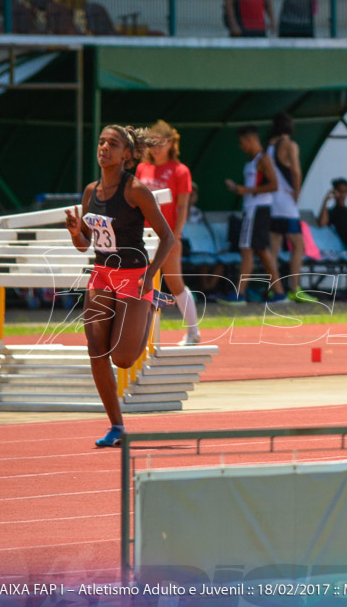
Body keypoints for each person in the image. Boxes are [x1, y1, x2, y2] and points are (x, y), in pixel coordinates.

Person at [64, 125, 175, 447]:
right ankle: (117, 426)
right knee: (96, 350)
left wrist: (151, 276)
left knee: (123, 359)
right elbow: (85, 245)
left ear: (126, 155)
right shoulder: (90, 192)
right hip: (101, 273)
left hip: (134, 276)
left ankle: (151, 304)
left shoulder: (135, 190)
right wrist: (75, 232)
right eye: (101, 142)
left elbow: (167, 237)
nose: (104, 148)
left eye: (112, 144)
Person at [134, 120, 201, 345]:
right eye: (152, 144)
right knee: (140, 284)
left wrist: (175, 236)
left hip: (166, 236)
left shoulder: (180, 171)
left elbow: (183, 207)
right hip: (142, 236)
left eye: (161, 143)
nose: (156, 148)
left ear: (171, 143)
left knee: (174, 284)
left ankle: (193, 332)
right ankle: (140, 337)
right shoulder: (142, 168)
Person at [224, 125, 289, 305]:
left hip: (257, 210)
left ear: (250, 140)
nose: (241, 146)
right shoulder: (252, 160)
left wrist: (246, 190)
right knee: (261, 251)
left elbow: (274, 185)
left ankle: (240, 293)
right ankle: (279, 292)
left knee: (247, 249)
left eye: (242, 142)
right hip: (255, 209)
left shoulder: (263, 159)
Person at [266, 112, 316, 303]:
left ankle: (275, 289)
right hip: (286, 203)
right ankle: (295, 288)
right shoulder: (290, 145)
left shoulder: (270, 146)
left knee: (274, 248)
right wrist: (297, 191)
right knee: (298, 245)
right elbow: (295, 170)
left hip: (272, 202)